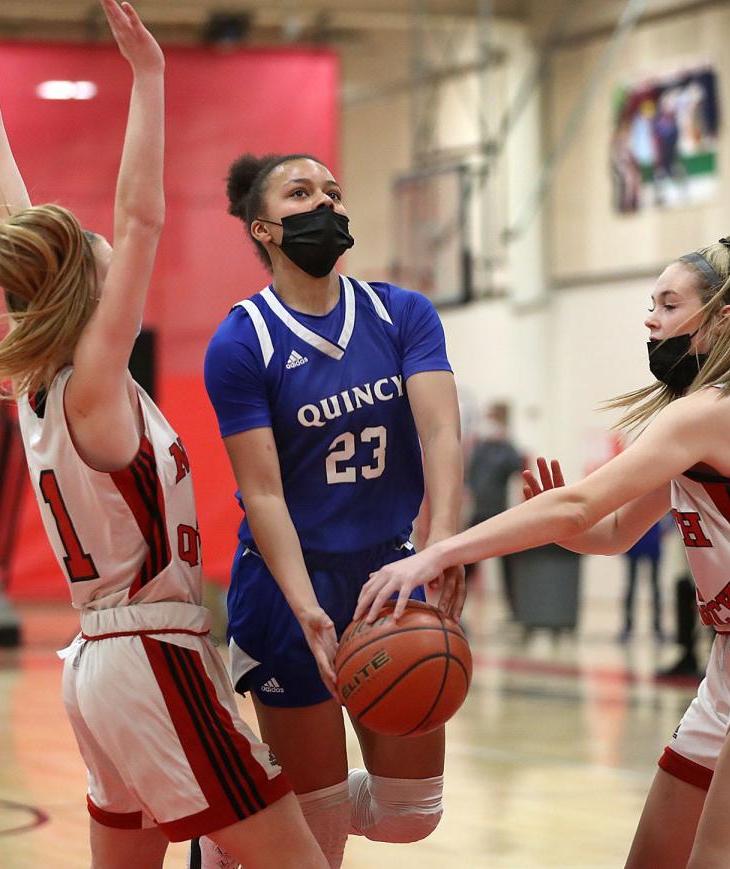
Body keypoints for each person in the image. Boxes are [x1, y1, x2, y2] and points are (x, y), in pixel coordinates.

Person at [0, 9, 326, 868]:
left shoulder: (47, 379)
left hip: (102, 663)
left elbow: (30, 240)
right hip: (152, 655)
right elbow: (142, 220)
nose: (113, 247)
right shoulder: (94, 379)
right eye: (97, 251)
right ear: (88, 286)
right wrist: (150, 78)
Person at [358, 234, 730, 868]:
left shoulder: (715, 410)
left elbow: (581, 507)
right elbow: (612, 529)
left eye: (669, 305)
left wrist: (437, 550)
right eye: (651, 303)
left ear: (723, 317)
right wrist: (561, 521)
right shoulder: (693, 416)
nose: (651, 318)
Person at [202, 152, 466, 867]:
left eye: (334, 191)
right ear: (264, 228)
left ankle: (250, 821)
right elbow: (263, 493)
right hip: (291, 585)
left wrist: (440, 544)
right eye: (301, 192)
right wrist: (305, 605)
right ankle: (257, 831)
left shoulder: (400, 312)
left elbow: (441, 429)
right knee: (317, 847)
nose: (325, 203)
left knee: (412, 814)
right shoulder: (242, 340)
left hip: (388, 573)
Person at [464, 401, 524, 615]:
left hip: (499, 513)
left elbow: (517, 467)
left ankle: (515, 612)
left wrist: (506, 441)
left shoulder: (507, 448)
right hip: (479, 513)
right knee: (467, 564)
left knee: (509, 568)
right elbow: (469, 476)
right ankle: (455, 604)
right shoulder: (481, 447)